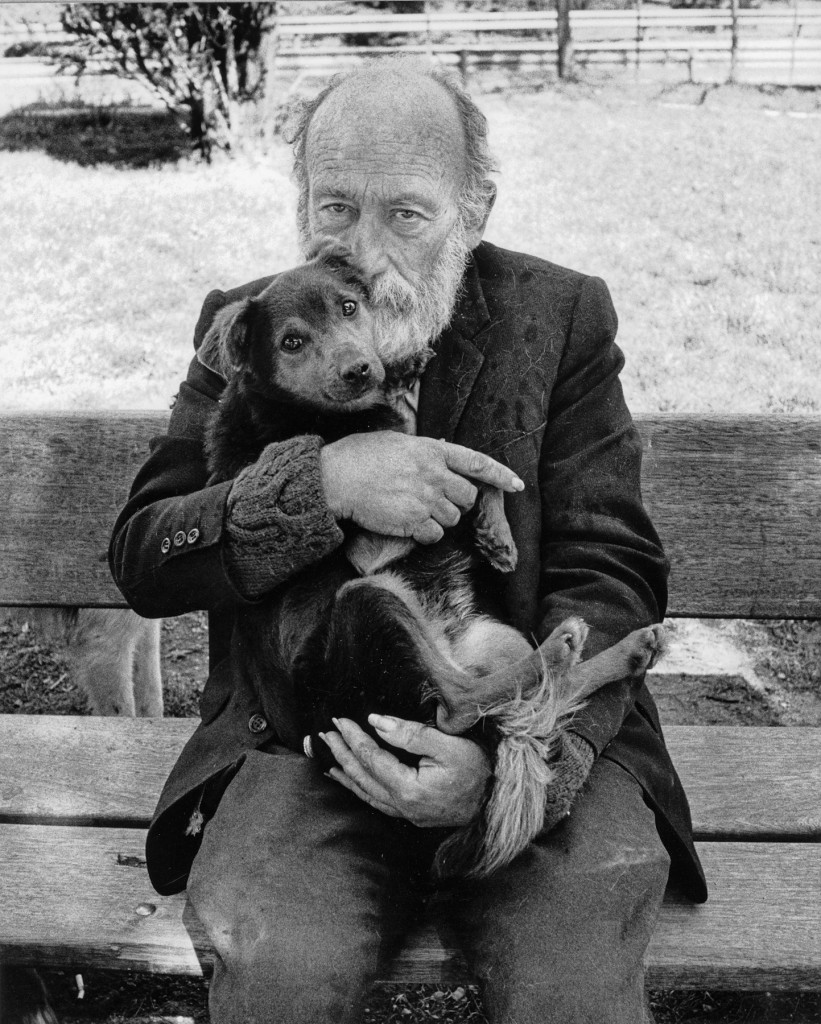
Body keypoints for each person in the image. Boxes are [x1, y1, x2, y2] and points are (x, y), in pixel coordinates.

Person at [110, 57, 707, 1024]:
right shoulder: (250, 324)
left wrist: (512, 761)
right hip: (313, 741)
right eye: (335, 208)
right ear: (301, 202)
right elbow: (147, 553)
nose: (366, 251)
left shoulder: (558, 315)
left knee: (570, 988)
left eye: (406, 214)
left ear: (474, 210)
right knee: (278, 977)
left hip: (533, 722)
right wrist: (321, 485)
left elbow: (611, 563)